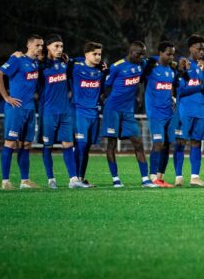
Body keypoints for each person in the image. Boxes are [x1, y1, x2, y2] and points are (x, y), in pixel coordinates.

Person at [0, 34, 43, 189]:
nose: (40, 48)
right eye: (37, 45)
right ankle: (5, 181)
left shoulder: (36, 63)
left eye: (42, 45)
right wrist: (6, 97)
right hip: (16, 108)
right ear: (28, 45)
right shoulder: (17, 60)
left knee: (26, 144)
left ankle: (25, 181)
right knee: (10, 143)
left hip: (29, 109)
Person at [101, 40, 154, 188]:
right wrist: (103, 100)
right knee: (111, 144)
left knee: (138, 143)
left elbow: (153, 61)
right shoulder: (117, 67)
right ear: (131, 52)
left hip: (128, 111)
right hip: (113, 109)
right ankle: (116, 179)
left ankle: (145, 179)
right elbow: (105, 85)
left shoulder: (141, 64)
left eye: (144, 54)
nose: (142, 57)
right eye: (139, 54)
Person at [38, 35, 81, 189]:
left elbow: (82, 61)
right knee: (48, 145)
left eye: (61, 46)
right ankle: (51, 179)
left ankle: (73, 179)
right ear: (47, 46)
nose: (59, 49)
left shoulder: (65, 63)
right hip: (49, 112)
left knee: (68, 144)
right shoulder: (41, 65)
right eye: (56, 46)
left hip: (65, 112)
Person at [173, 35, 204, 187]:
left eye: (203, 48)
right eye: (199, 48)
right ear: (190, 48)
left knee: (196, 143)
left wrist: (203, 71)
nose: (202, 51)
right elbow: (180, 91)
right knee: (180, 142)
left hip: (200, 111)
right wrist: (199, 86)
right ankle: (178, 176)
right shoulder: (184, 65)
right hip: (184, 111)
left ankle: (195, 177)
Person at [70, 42, 105, 186]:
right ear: (86, 55)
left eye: (99, 54)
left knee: (87, 147)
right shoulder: (76, 67)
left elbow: (101, 90)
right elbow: (67, 59)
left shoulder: (100, 72)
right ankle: (74, 179)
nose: (97, 57)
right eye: (94, 54)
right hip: (79, 112)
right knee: (81, 145)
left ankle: (81, 178)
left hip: (94, 113)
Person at [144, 41, 179, 187]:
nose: (171, 56)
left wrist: (173, 98)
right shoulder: (151, 68)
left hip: (169, 113)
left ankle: (160, 177)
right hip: (155, 113)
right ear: (160, 52)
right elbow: (144, 61)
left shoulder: (172, 70)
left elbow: (172, 88)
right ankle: (152, 177)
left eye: (173, 54)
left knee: (167, 145)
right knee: (157, 143)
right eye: (168, 53)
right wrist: (152, 59)